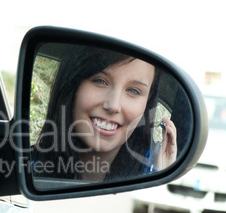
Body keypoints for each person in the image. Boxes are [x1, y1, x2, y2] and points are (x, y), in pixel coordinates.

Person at [32, 45, 177, 181]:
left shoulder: (150, 174)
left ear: (147, 104)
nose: (113, 106)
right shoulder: (26, 169)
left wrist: (160, 179)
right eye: (100, 81)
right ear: (72, 84)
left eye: (133, 91)